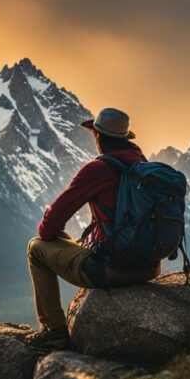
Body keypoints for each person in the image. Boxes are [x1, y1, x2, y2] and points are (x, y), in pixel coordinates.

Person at [23, 107, 163, 350]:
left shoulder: (98, 169)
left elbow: (48, 228)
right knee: (73, 242)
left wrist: (53, 230)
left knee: (36, 248)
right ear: (125, 138)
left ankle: (53, 331)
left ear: (98, 136)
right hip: (150, 266)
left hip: (113, 269)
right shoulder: (142, 165)